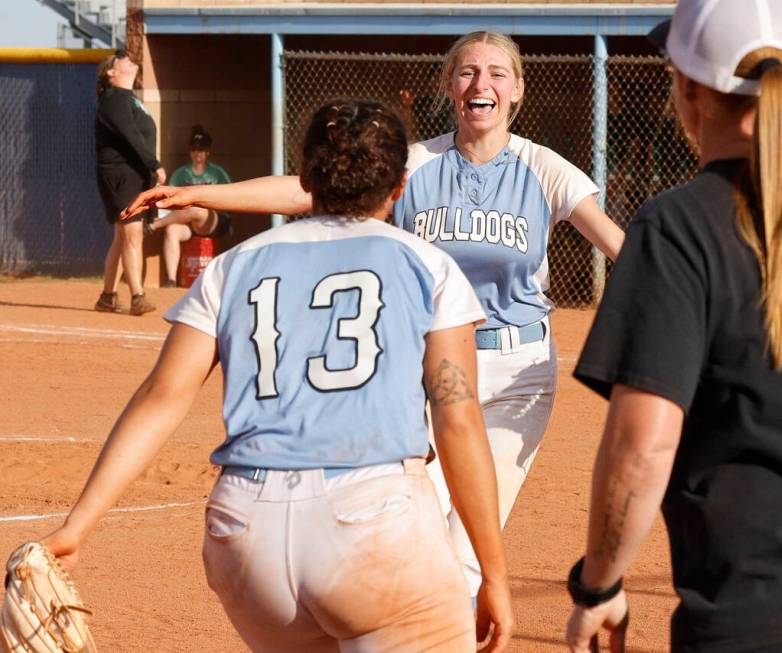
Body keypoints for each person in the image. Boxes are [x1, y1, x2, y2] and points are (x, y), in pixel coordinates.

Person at [122, 31, 626, 599]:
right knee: (411, 521)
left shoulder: (544, 170)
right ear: (448, 86)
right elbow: (304, 192)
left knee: (465, 548)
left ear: (517, 92)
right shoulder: (417, 163)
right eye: (467, 72)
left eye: (496, 74)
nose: (481, 83)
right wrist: (198, 197)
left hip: (518, 375)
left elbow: (618, 248)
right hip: (426, 371)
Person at [41, 99, 513, 652]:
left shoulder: (233, 265)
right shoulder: (427, 264)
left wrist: (77, 527)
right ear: (401, 185)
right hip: (374, 523)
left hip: (246, 534)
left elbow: (160, 399)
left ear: (307, 177)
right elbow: (457, 424)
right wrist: (494, 576)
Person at [565, 1, 782, 652]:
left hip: (752, 625)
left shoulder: (676, 228)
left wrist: (599, 585)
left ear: (689, 90)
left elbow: (641, 445)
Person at [94, 49, 162, 315]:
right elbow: (131, 135)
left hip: (133, 173)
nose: (127, 59)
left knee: (123, 237)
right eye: (119, 59)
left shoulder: (129, 99)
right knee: (132, 233)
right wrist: (154, 165)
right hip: (120, 173)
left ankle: (108, 297)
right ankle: (137, 296)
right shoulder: (113, 99)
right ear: (111, 73)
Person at [147, 125, 233, 287]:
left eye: (201, 150)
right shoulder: (181, 174)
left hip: (214, 220)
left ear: (208, 152)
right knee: (172, 230)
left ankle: (154, 225)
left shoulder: (218, 173)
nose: (197, 153)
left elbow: (231, 199)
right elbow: (170, 202)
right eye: (194, 149)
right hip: (188, 222)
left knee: (197, 208)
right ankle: (172, 280)